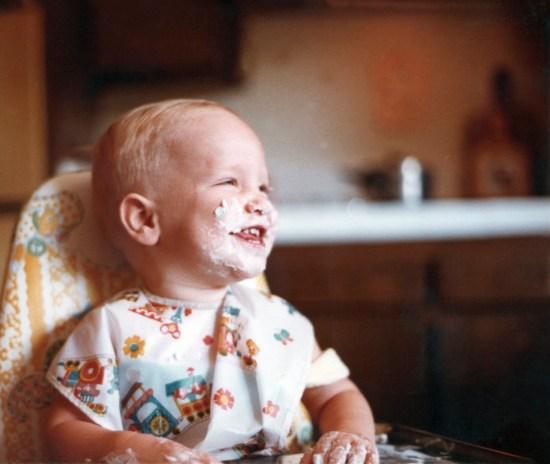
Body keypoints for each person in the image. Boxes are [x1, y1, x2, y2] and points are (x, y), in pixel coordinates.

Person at [45, 99, 379, 464]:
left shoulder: (278, 322)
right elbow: (64, 431)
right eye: (229, 182)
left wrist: (348, 437)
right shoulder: (110, 328)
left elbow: (336, 395)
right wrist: (143, 452)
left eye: (263, 188)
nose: (258, 203)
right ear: (144, 219)